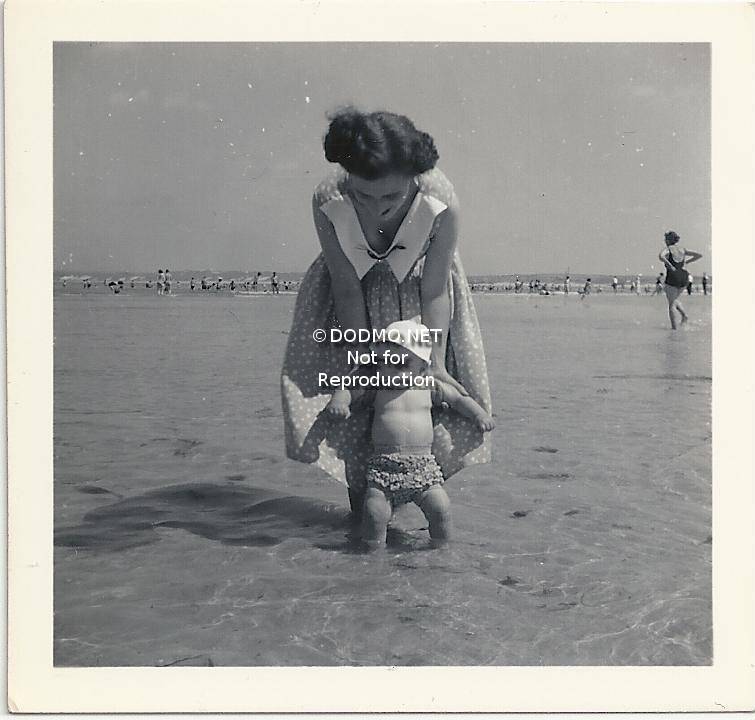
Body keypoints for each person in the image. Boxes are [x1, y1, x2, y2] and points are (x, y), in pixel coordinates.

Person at [281, 108, 492, 517]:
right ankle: (365, 521)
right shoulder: (328, 197)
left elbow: (435, 286)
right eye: (364, 197)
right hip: (351, 300)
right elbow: (345, 285)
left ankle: (417, 505)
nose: (377, 209)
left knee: (422, 403)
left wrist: (435, 360)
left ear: (413, 178)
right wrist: (361, 355)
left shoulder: (441, 197)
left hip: (420, 301)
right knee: (358, 408)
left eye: (391, 198)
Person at [325, 319, 494, 548]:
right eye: (385, 363)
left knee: (441, 508)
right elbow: (348, 389)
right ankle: (372, 554)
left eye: (402, 364)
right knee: (374, 512)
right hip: (383, 468)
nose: (392, 370)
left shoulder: (429, 386)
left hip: (423, 468)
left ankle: (441, 549)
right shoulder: (376, 386)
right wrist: (339, 402)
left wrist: (479, 415)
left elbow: (458, 399)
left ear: (423, 367)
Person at [658, 230, 702, 329]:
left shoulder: (668, 249)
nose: (664, 241)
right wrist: (687, 262)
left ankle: (674, 329)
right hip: (684, 277)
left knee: (671, 304)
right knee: (674, 300)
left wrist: (670, 265)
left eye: (665, 239)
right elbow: (699, 255)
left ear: (668, 240)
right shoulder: (682, 249)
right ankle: (684, 316)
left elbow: (661, 256)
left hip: (673, 277)